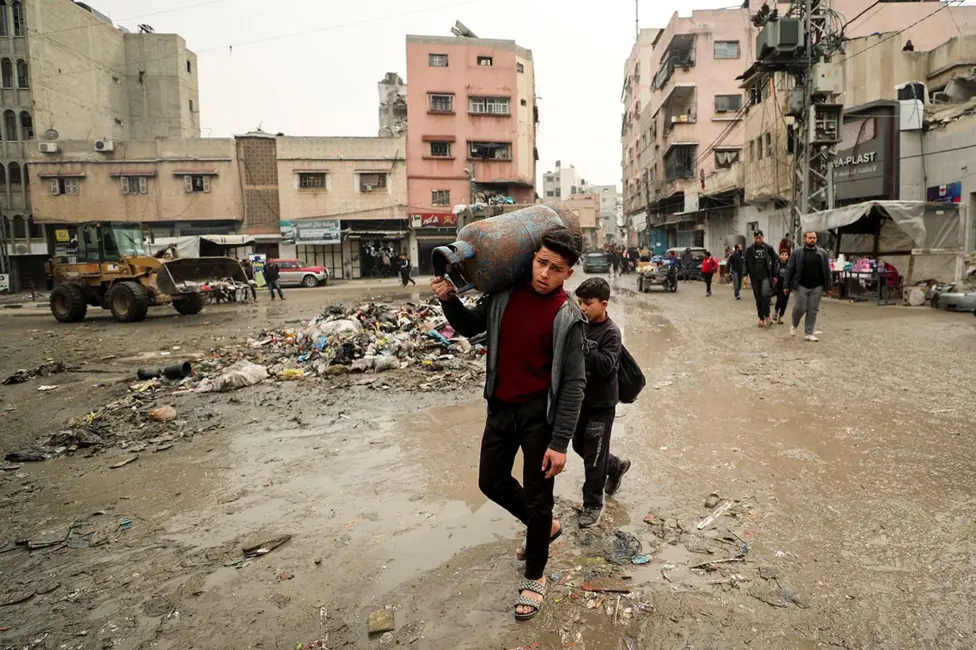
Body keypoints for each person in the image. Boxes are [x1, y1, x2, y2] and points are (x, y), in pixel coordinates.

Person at [430, 226, 585, 621]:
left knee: (538, 498)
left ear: (568, 274)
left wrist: (561, 443)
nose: (544, 273)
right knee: (491, 481)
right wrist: (449, 301)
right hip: (500, 408)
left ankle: (535, 576)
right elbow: (469, 326)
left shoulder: (568, 317)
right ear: (532, 258)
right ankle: (545, 526)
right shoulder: (504, 295)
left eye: (556, 268)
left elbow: (573, 384)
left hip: (539, 420)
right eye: (541, 262)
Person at [573, 278, 631, 528]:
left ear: (603, 304)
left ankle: (593, 503)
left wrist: (587, 348)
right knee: (580, 447)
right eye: (580, 303)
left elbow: (607, 367)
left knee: (593, 457)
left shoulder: (611, 332)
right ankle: (616, 465)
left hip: (601, 404)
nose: (583, 308)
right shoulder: (580, 324)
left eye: (588, 303)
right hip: (580, 400)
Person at [784, 230, 831, 342]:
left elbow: (827, 270)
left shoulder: (822, 253)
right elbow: (789, 269)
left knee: (812, 310)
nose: (812, 240)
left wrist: (828, 286)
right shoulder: (797, 253)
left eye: (814, 238)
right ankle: (794, 324)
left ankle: (809, 333)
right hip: (800, 285)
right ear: (804, 239)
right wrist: (786, 285)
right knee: (801, 308)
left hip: (817, 286)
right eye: (810, 238)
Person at [745, 230, 778, 327]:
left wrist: (775, 274)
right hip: (754, 277)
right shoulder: (750, 249)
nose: (758, 239)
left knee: (765, 294)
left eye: (760, 237)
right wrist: (744, 275)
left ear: (763, 237)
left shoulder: (768, 248)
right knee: (758, 297)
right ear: (754, 238)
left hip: (766, 276)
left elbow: (775, 259)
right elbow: (745, 262)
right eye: (756, 238)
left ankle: (767, 316)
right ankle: (761, 318)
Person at [773, 249, 790, 324]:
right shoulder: (776, 263)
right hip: (779, 285)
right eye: (782, 254)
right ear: (779, 255)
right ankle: (776, 311)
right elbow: (773, 272)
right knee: (780, 300)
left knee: (785, 302)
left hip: (787, 286)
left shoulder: (790, 264)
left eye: (786, 255)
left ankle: (780, 317)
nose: (784, 256)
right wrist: (774, 278)